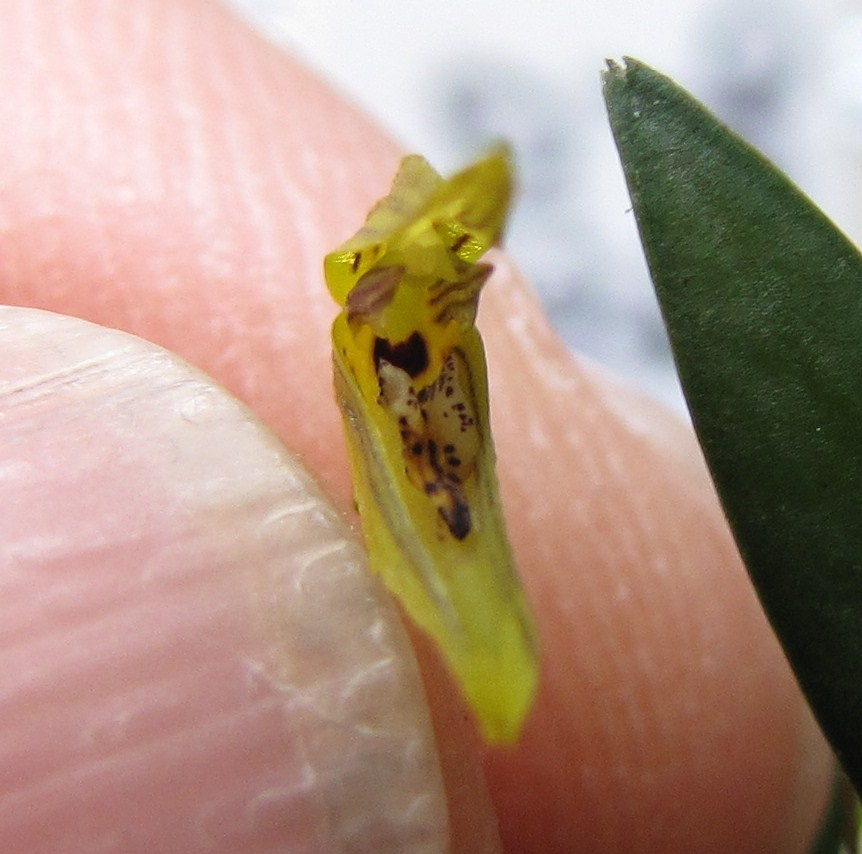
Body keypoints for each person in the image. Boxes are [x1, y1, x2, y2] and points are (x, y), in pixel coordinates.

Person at [0, 2, 832, 851]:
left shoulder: (417, 336)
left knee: (490, 636)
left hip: (421, 422)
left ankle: (490, 669)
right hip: (403, 412)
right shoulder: (385, 338)